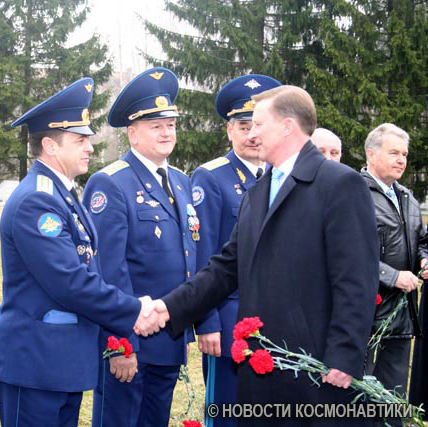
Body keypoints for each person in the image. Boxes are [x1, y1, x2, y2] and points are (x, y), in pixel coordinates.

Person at [146, 85, 379, 426]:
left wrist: (345, 355)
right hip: (260, 364)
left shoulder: (338, 184)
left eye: (258, 124)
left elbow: (356, 279)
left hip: (315, 367)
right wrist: (168, 308)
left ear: (286, 126)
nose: (252, 134)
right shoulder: (259, 191)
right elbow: (226, 268)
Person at [0, 77, 161, 427]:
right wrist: (135, 309)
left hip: (61, 362)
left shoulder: (61, 195)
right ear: (50, 146)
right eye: (80, 140)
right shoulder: (37, 200)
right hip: (35, 365)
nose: (90, 148)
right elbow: (69, 281)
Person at [83, 67, 196, 427]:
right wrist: (119, 343)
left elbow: (186, 257)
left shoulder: (180, 182)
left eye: (171, 125)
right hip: (131, 343)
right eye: (155, 126)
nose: (166, 133)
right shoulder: (111, 183)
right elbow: (108, 272)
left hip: (168, 340)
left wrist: (184, 327)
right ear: (132, 133)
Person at [191, 74, 281, 427]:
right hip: (229, 315)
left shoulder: (280, 176)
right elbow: (203, 254)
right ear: (229, 130)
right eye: (244, 127)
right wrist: (207, 321)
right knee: (228, 410)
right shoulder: (211, 178)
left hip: (275, 315)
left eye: (258, 126)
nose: (252, 135)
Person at [361, 123, 428, 426]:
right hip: (366, 317)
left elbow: (421, 240)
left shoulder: (407, 197)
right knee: (360, 398)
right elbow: (349, 251)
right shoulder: (355, 193)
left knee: (393, 401)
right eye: (394, 153)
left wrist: (424, 259)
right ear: (371, 154)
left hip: (400, 318)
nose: (401, 160)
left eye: (404, 154)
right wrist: (392, 276)